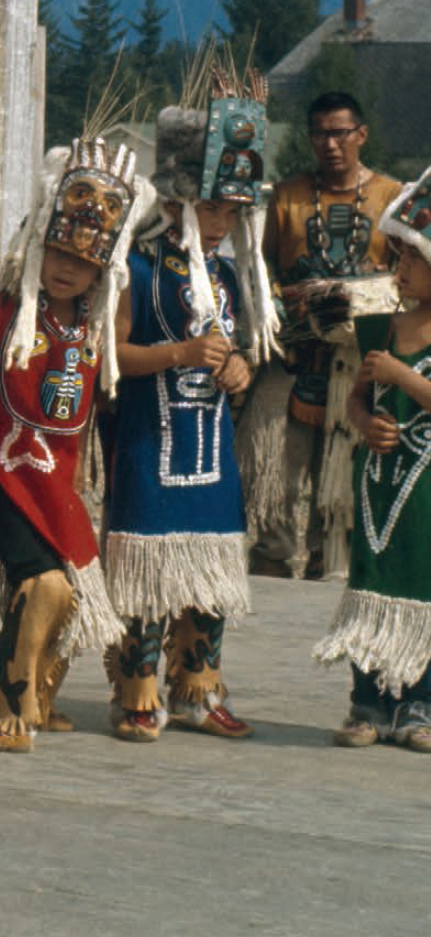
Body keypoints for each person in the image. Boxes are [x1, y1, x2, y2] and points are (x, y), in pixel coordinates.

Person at [0, 135, 145, 751]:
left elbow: (78, 414)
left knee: (73, 590)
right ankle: (4, 704)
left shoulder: (89, 329)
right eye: (57, 252)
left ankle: (42, 694)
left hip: (55, 483)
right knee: (46, 585)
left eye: (82, 264)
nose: (65, 267)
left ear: (100, 273)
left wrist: (78, 480)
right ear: (36, 245)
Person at [103, 78, 278, 742]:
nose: (223, 220)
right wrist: (178, 352)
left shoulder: (231, 276)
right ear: (179, 198)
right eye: (213, 206)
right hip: (150, 442)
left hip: (211, 451)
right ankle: (137, 691)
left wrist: (239, 367)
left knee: (209, 577)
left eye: (234, 210)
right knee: (147, 576)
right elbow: (112, 356)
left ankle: (199, 689)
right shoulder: (138, 269)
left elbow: (243, 352)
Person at [240, 91, 399, 579]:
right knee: (273, 488)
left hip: (361, 369)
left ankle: (331, 576)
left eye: (339, 133)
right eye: (319, 134)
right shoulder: (286, 196)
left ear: (361, 135)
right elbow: (259, 271)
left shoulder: (392, 198)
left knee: (341, 501)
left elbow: (410, 275)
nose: (329, 144)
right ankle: (268, 574)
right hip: (290, 362)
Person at [314, 165, 431, 748]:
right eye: (400, 256)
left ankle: (419, 705)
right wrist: (366, 426)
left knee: (424, 588)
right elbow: (357, 401)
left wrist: (401, 377)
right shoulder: (381, 328)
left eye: (411, 259)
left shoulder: (395, 350)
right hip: (378, 480)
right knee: (371, 583)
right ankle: (367, 705)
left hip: (426, 488)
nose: (400, 267)